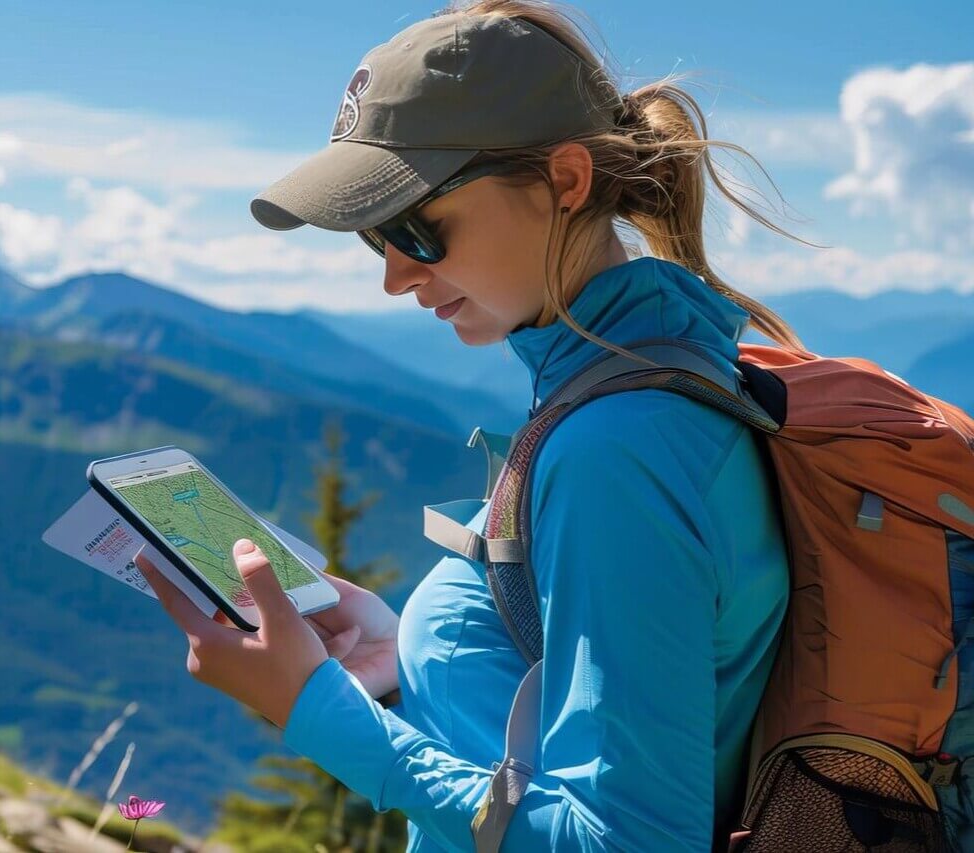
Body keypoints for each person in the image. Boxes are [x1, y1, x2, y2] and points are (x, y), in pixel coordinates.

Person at [135, 1, 806, 848]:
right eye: (374, 237)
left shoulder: (620, 449)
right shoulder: (626, 384)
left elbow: (629, 837)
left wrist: (321, 713)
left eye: (417, 225)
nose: (395, 276)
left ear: (566, 181)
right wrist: (412, 660)